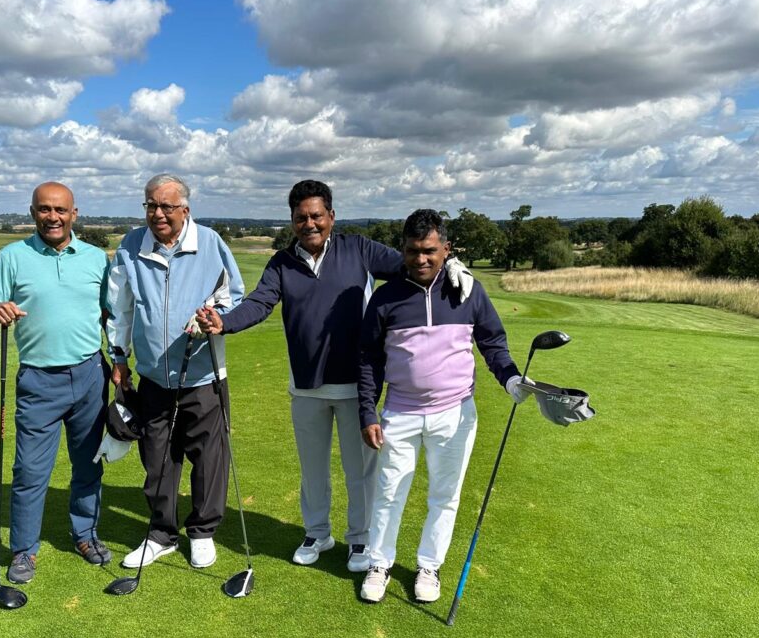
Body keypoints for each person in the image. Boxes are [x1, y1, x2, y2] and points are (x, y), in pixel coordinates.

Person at [197, 180, 402, 572]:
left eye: (316, 216)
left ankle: (360, 538)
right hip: (306, 386)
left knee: (360, 471)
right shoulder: (281, 263)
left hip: (356, 387)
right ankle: (317, 533)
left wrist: (450, 266)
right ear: (292, 220)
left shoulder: (359, 249)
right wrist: (224, 322)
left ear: (331, 217)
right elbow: (259, 303)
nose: (310, 224)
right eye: (301, 217)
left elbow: (410, 267)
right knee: (313, 470)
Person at [357, 208, 532, 604]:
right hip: (400, 412)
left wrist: (510, 379)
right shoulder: (385, 297)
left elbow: (492, 343)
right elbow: (368, 359)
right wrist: (368, 411)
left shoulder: (466, 291)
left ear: (446, 249)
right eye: (412, 251)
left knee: (445, 495)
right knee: (389, 493)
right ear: (402, 249)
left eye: (430, 251)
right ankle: (379, 564)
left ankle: (429, 567)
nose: (421, 259)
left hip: (455, 413)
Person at [107, 173, 244, 571]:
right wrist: (119, 358)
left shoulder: (210, 244)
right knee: (158, 458)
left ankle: (202, 532)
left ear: (185, 209)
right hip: (153, 376)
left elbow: (232, 297)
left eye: (167, 206)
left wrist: (212, 317)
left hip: (203, 375)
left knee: (208, 457)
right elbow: (120, 307)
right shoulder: (131, 245)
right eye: (151, 205)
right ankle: (161, 534)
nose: (158, 214)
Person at [0, 181, 112, 584]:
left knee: (88, 465)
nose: (52, 217)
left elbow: (110, 315)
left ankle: (85, 535)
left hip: (90, 374)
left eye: (60, 210)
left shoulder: (96, 259)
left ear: (74, 214)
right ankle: (24, 550)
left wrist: (120, 361)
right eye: (44, 209)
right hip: (38, 379)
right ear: (32, 212)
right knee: (30, 471)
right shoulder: (12, 256)